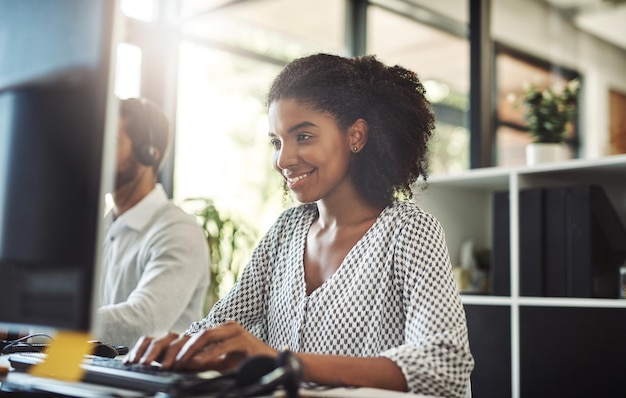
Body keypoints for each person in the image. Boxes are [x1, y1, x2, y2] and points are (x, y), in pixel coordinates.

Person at [127, 54, 474, 397]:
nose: (283, 159)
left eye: (303, 136)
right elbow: (220, 325)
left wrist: (282, 362)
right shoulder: (287, 230)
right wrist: (176, 347)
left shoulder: (410, 231)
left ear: (356, 136)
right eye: (277, 142)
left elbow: (443, 365)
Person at [94, 98, 209, 348]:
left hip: (154, 383)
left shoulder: (178, 231)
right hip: (99, 374)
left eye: (112, 142)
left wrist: (42, 325)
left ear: (148, 153)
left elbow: (142, 324)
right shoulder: (102, 227)